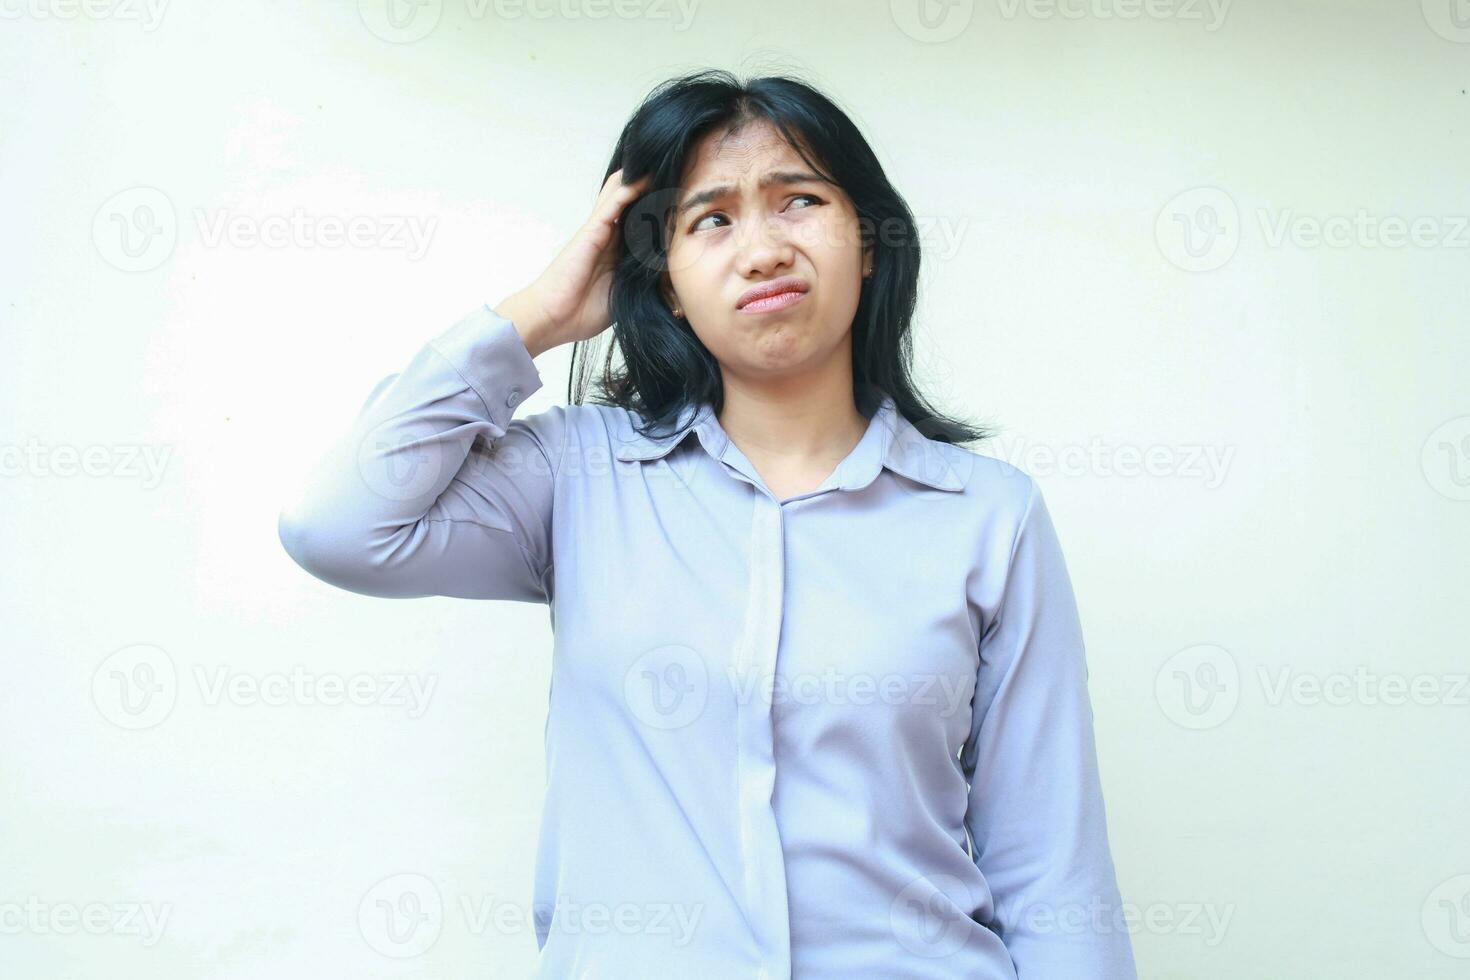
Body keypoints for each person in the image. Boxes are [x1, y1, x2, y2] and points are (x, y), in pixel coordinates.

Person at [278, 68, 1137, 979]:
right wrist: (538, 314)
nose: (762, 249)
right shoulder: (577, 476)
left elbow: (1052, 871)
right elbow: (338, 525)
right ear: (669, 286)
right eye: (711, 219)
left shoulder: (989, 518)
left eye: (798, 200)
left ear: (871, 242)